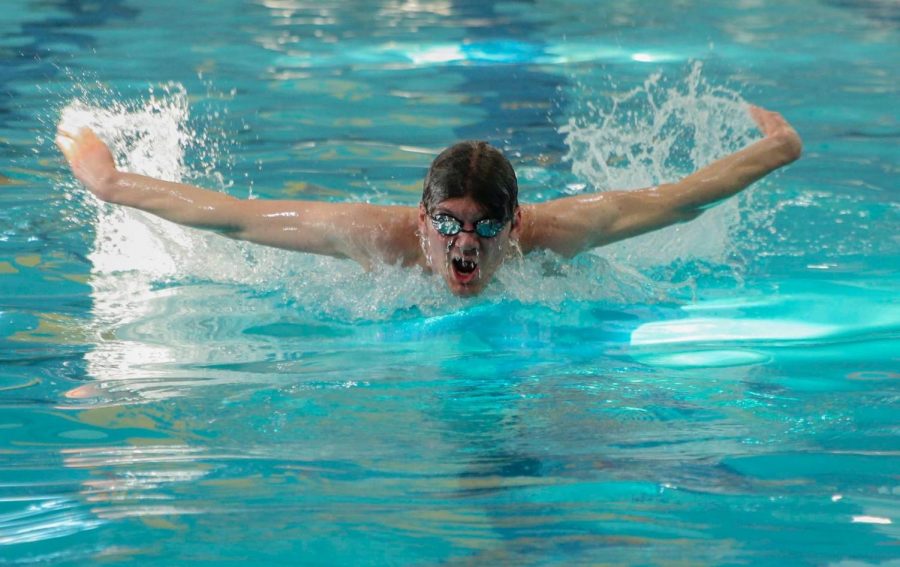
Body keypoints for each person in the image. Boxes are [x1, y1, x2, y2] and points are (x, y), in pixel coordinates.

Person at [56, 105, 801, 297]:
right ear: (421, 219)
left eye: (483, 227)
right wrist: (111, 183)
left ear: (516, 223)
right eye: (446, 224)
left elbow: (679, 202)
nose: (463, 245)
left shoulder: (556, 234)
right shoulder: (377, 240)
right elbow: (235, 215)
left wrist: (778, 149)